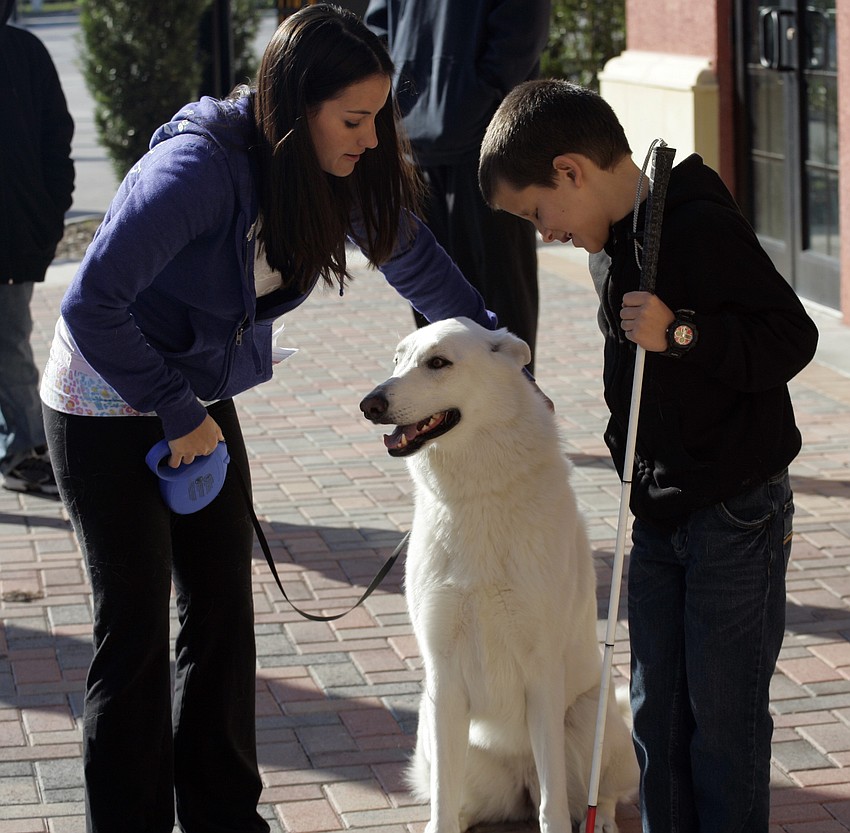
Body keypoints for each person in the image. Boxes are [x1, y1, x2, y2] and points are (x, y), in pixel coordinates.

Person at [40, 6, 499, 833]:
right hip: (104, 399)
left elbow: (422, 269)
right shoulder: (196, 172)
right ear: (295, 109)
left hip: (191, 401)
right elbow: (91, 304)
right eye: (352, 120)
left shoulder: (334, 172)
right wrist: (179, 411)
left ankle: (224, 817)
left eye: (377, 117)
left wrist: (503, 358)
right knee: (133, 630)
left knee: (221, 616)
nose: (368, 138)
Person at [478, 79, 819, 832]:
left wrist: (684, 333)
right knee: (654, 713)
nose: (545, 232)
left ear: (571, 171)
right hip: (660, 514)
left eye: (538, 213)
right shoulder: (612, 250)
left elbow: (793, 337)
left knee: (722, 723)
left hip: (736, 508)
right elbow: (632, 383)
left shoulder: (693, 223)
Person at [364, 0, 549, 371]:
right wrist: (396, 99)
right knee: (432, 307)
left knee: (502, 299)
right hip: (413, 146)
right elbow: (377, 30)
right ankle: (448, 415)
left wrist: (481, 94)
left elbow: (522, 26)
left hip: (489, 147)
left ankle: (514, 412)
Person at [0, 0, 74, 498]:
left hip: (13, 234)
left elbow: (56, 140)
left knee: (9, 345)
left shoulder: (24, 51)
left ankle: (23, 448)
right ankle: (22, 447)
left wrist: (47, 217)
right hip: (18, 231)